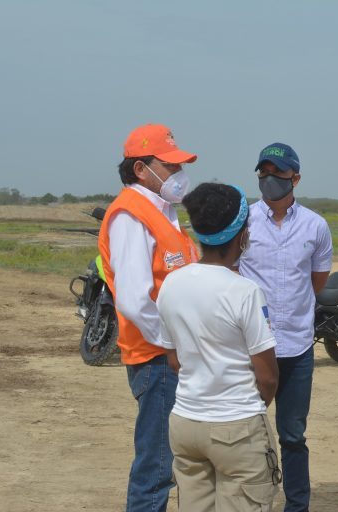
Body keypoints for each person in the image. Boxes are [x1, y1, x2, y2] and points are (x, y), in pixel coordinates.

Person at [156, 183, 281, 511]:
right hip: (236, 428)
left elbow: (173, 360)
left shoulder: (172, 283)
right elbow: (267, 377)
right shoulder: (245, 292)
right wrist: (247, 410)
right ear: (241, 235)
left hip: (185, 424)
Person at [97, 124, 199, 512]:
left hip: (172, 356)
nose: (178, 174)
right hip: (157, 358)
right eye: (170, 166)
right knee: (156, 468)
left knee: (170, 460)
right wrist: (173, 346)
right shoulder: (131, 215)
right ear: (141, 169)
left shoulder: (164, 211)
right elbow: (135, 300)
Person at [237, 142, 333, 512]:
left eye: (278, 172)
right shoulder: (243, 220)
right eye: (264, 172)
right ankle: (249, 503)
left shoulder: (315, 226)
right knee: (244, 431)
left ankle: (297, 505)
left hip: (296, 348)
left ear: (295, 177)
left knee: (293, 435)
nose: (270, 179)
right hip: (252, 348)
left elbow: (317, 281)